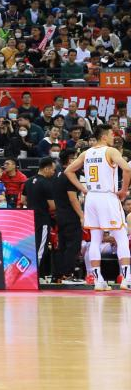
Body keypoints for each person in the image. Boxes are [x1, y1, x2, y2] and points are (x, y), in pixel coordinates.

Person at [65, 124, 131, 290]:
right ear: (104, 136)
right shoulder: (111, 151)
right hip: (107, 196)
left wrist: (83, 189)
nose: (113, 137)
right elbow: (127, 168)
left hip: (92, 198)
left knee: (95, 239)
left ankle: (98, 281)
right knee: (121, 237)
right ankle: (126, 279)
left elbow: (68, 171)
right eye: (111, 134)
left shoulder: (86, 153)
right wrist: (124, 190)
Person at [50, 150, 83, 284]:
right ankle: (68, 274)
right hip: (70, 215)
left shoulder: (57, 174)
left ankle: (58, 275)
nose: (78, 161)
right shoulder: (70, 175)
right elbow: (72, 198)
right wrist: (81, 216)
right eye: (75, 158)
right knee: (73, 246)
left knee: (62, 246)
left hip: (60, 215)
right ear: (69, 160)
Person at [22, 160, 56, 272]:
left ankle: (29, 273)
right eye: (53, 170)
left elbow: (23, 200)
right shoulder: (47, 183)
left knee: (31, 247)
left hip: (30, 219)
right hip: (42, 219)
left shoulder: (28, 181)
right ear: (46, 169)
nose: (53, 172)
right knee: (40, 249)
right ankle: (33, 274)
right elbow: (52, 206)